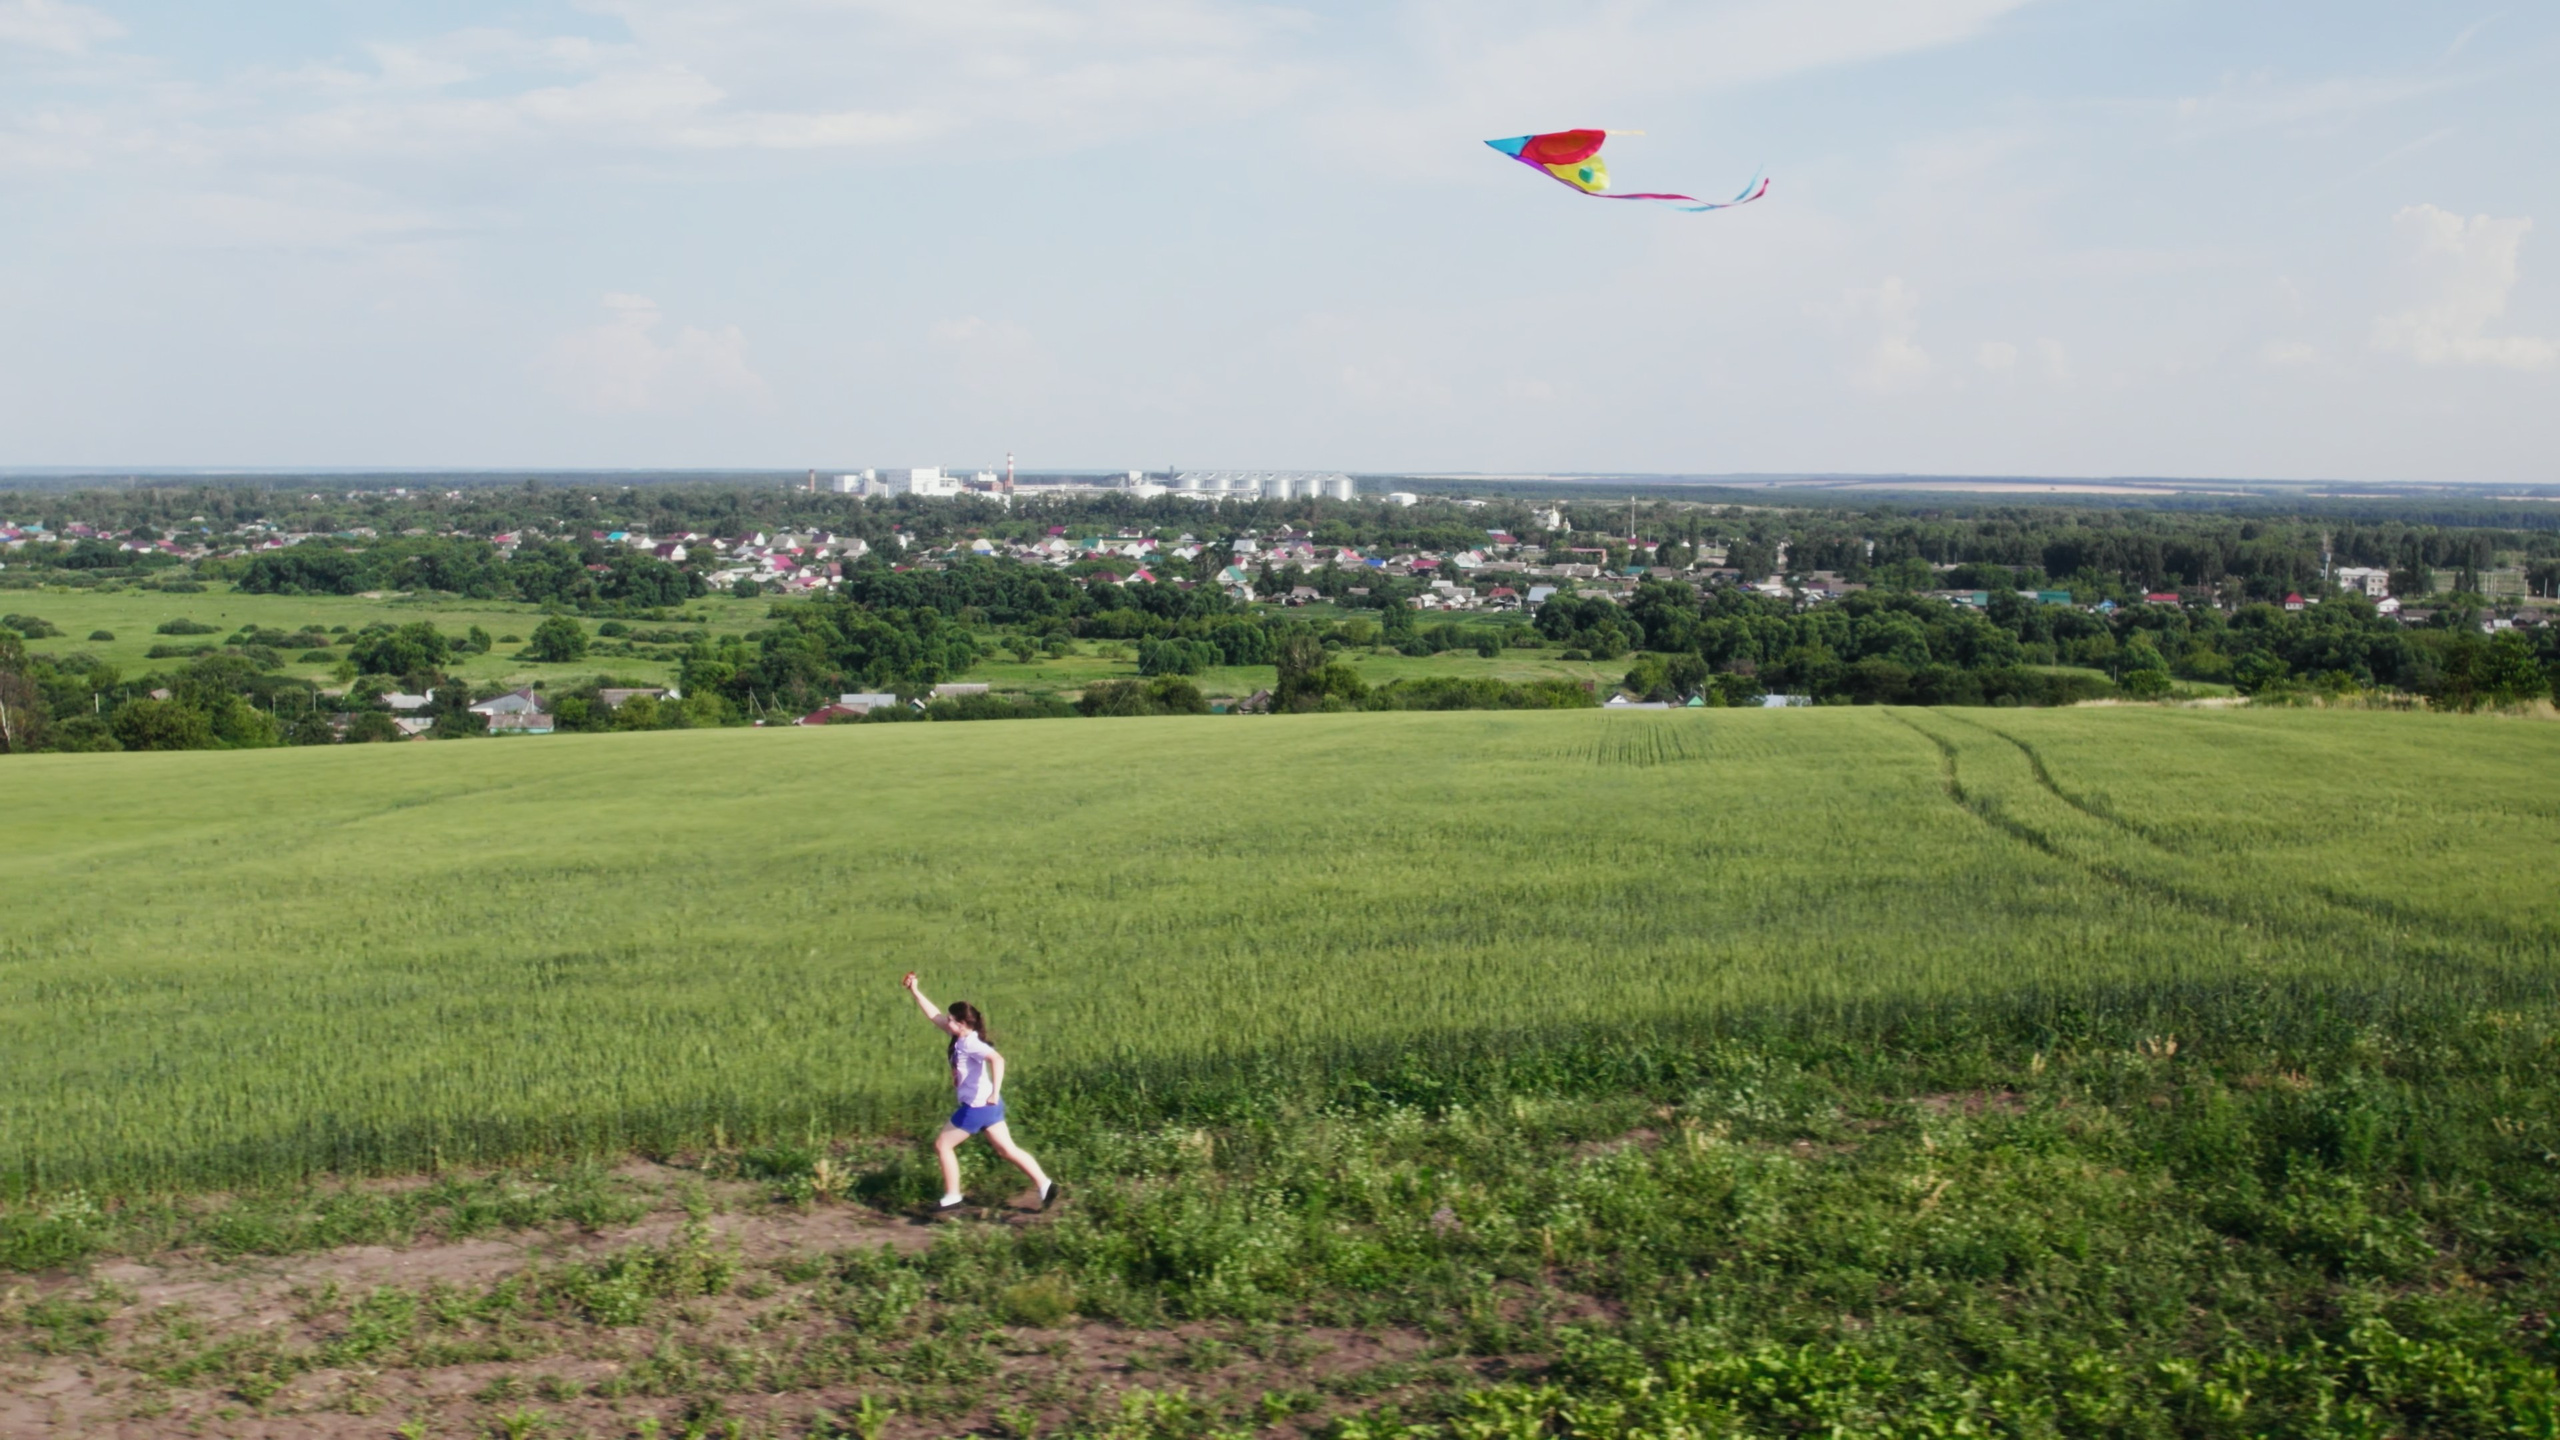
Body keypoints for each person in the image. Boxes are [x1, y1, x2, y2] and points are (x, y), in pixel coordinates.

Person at [902, 972, 1059, 1213]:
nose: (946, 1021)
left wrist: (995, 1091)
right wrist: (915, 991)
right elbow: (934, 1015)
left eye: (951, 1019)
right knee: (1006, 1150)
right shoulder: (960, 1036)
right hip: (989, 1108)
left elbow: (998, 1060)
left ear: (962, 1024)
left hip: (977, 1107)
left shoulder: (970, 1043)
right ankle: (1045, 1185)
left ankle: (953, 1196)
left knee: (942, 1145)